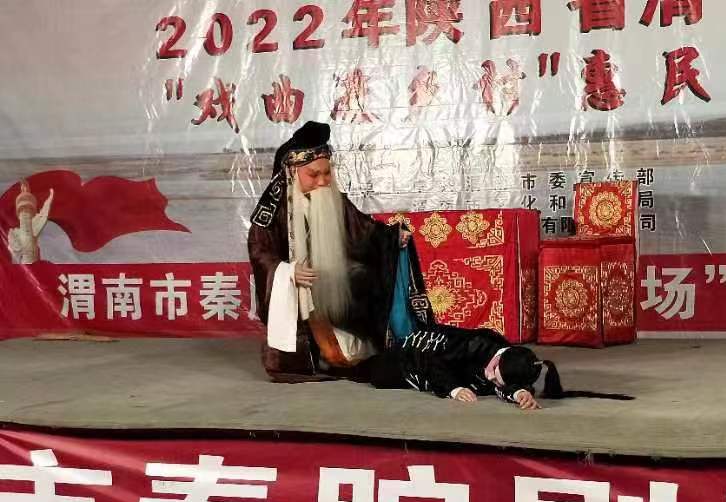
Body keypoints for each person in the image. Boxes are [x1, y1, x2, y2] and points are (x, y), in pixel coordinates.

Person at [248, 121, 433, 382]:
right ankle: (313, 353)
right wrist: (287, 272)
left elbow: (363, 230)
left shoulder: (333, 198)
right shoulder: (273, 210)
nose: (323, 181)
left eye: (327, 173)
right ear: (292, 172)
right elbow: (260, 251)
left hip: (334, 291)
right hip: (301, 293)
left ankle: (374, 339)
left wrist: (391, 238)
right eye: (314, 175)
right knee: (316, 324)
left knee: (368, 276)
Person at [366, 324, 633, 409]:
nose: (491, 379)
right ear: (497, 358)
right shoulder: (477, 345)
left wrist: (520, 394)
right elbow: (432, 362)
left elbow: (504, 384)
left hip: (436, 368)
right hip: (415, 355)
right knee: (370, 373)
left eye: (498, 380)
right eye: (494, 372)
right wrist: (454, 389)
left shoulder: (517, 364)